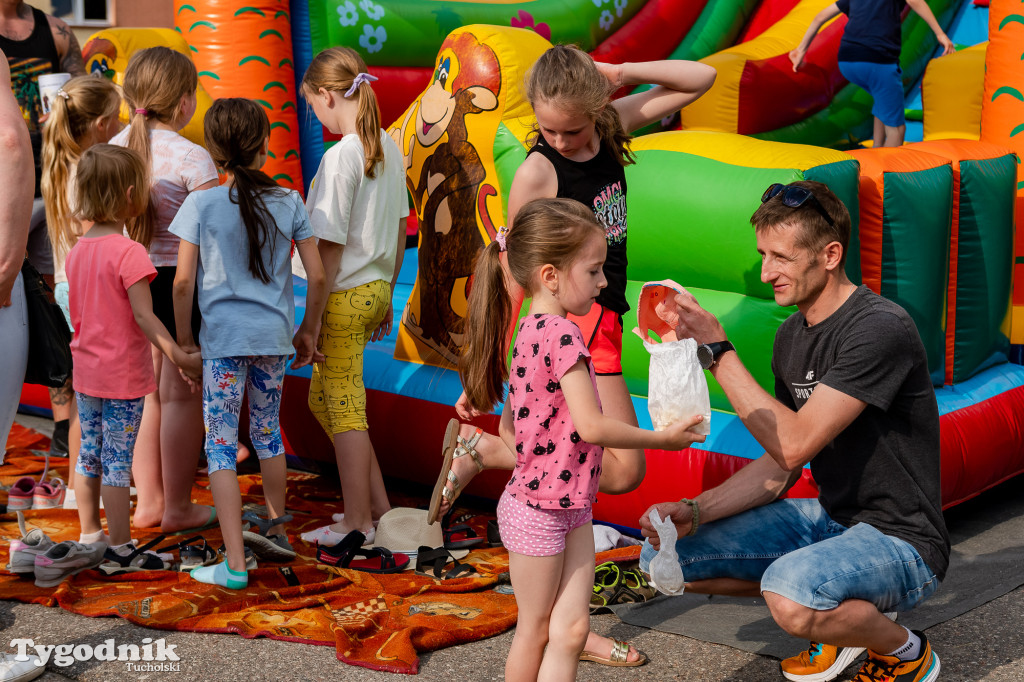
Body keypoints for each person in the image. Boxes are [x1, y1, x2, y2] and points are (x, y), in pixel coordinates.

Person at [427, 44, 716, 665]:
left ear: (598, 109)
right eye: (548, 127)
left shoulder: (608, 129)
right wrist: (492, 368)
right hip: (570, 326)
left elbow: (702, 78)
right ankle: (564, 624)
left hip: (602, 315)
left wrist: (625, 73)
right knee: (611, 468)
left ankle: (492, 457)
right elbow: (517, 269)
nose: (560, 139)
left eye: (573, 127)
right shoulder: (537, 172)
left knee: (596, 470)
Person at [638, 180, 949, 682]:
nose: (765, 273)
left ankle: (904, 652)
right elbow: (782, 464)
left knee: (789, 591)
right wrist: (696, 511)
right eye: (762, 255)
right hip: (831, 519)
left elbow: (798, 441)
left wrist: (716, 349)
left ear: (829, 255)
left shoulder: (879, 327)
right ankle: (837, 622)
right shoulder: (791, 336)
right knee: (664, 554)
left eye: (780, 258)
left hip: (903, 539)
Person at [461, 197, 705, 681]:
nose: (603, 281)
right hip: (541, 512)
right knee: (534, 628)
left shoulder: (529, 330)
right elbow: (591, 426)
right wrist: (663, 439)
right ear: (551, 275)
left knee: (570, 631)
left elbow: (513, 424)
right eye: (593, 270)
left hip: (567, 504)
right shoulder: (564, 335)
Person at [170, 98, 328, 588]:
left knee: (220, 445)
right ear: (264, 147)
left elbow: (181, 284)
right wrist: (308, 330)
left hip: (222, 341)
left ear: (213, 151)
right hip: (273, 339)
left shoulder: (201, 203)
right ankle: (277, 536)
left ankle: (235, 562)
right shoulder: (289, 201)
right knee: (267, 433)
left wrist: (184, 341)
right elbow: (318, 277)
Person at [65, 144, 201, 577]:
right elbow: (145, 317)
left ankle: (91, 535)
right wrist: (177, 351)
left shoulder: (76, 251)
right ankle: (122, 547)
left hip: (86, 371)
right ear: (129, 195)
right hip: (123, 376)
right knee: (118, 461)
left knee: (90, 454)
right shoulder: (130, 253)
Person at [296, 47, 408, 547]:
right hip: (375, 289)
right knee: (332, 401)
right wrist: (385, 292)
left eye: (313, 106)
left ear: (326, 95)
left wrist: (310, 319)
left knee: (343, 408)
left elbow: (331, 248)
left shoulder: (341, 156)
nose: (315, 116)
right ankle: (380, 508)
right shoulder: (387, 145)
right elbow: (403, 229)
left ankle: (357, 521)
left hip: (342, 296)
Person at [110, 46, 219, 533]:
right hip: (179, 287)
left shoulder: (111, 149)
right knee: (179, 397)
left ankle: (148, 502)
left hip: (125, 285)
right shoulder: (194, 157)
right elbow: (214, 237)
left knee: (144, 395)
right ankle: (177, 505)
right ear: (184, 102)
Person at [1, 0, 86, 459]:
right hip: (4, 188)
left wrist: (65, 108)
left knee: (59, 300)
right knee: (4, 294)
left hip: (51, 179)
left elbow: (80, 93)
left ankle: (61, 422)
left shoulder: (54, 31)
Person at [40, 74, 122, 505]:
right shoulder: (87, 170)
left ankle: (77, 487)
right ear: (101, 124)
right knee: (103, 397)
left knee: (85, 395)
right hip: (91, 289)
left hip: (68, 286)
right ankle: (92, 485)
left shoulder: (61, 163)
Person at [789, 0, 953, 148]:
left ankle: (877, 147)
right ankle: (886, 174)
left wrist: (801, 50)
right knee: (897, 130)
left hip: (847, 62)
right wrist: (940, 33)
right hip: (878, 62)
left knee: (881, 101)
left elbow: (820, 17)